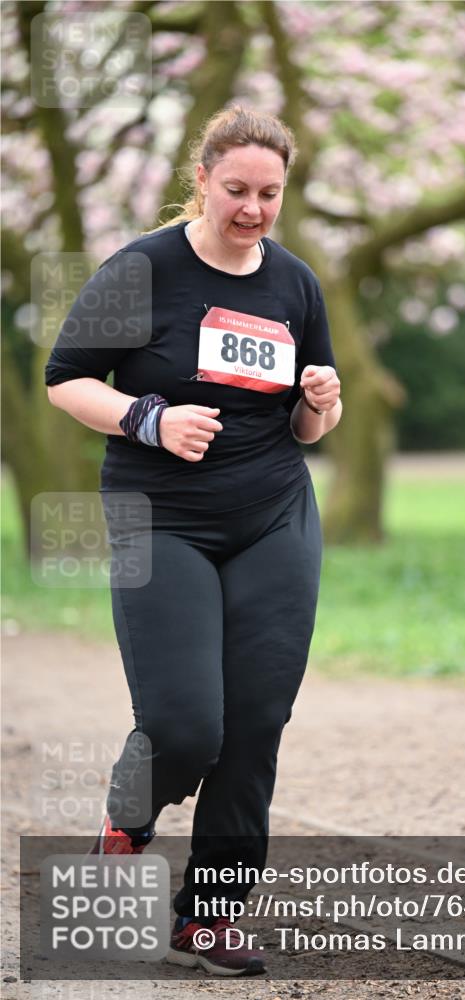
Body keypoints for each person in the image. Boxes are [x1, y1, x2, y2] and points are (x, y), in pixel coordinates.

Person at [44, 104, 342, 976]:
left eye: (270, 194)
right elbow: (67, 380)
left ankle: (206, 918)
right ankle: (127, 825)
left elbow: (308, 425)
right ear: (202, 180)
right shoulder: (142, 268)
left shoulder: (294, 283)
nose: (252, 209)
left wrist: (319, 403)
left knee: (254, 723)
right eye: (237, 190)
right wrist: (150, 417)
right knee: (184, 726)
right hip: (159, 514)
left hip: (272, 514)